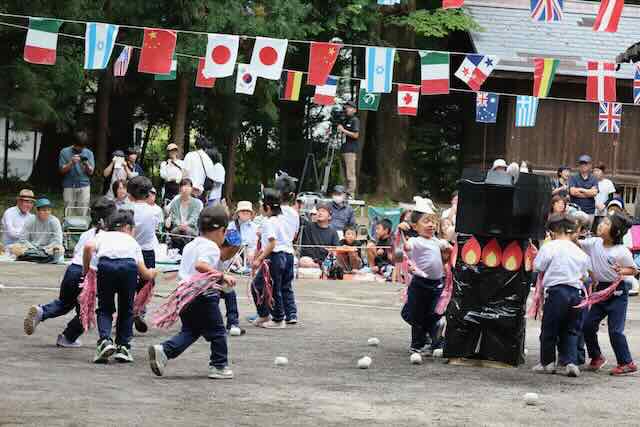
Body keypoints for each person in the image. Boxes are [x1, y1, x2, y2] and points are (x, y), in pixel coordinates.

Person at [148, 206, 235, 379]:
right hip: (202, 296)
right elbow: (200, 266)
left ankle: (164, 350)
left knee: (191, 331)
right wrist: (222, 275)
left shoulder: (191, 245)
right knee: (218, 332)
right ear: (221, 230)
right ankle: (219, 366)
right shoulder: (211, 247)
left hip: (184, 294)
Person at [23, 197, 117, 347]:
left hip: (72, 269)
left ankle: (42, 311)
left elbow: (77, 253)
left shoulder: (87, 233)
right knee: (85, 313)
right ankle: (67, 338)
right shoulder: (111, 237)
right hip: (88, 274)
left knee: (64, 303)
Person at [83, 210, 157, 363]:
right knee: (126, 309)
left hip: (106, 266)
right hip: (128, 267)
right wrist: (153, 272)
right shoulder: (133, 242)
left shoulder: (102, 235)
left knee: (105, 308)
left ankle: (105, 341)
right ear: (127, 227)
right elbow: (145, 275)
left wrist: (86, 270)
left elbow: (88, 247)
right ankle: (123, 347)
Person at [532, 214, 591, 377]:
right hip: (575, 293)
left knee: (550, 328)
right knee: (571, 330)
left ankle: (547, 363)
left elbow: (538, 265)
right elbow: (585, 275)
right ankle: (571, 362)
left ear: (552, 231)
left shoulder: (550, 247)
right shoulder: (578, 251)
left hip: (556, 292)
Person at [580, 212, 638, 375]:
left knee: (615, 330)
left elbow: (634, 270)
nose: (600, 225)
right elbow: (577, 243)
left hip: (618, 293)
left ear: (616, 231)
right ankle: (596, 357)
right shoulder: (594, 243)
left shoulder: (621, 251)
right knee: (588, 325)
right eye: (602, 222)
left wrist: (622, 270)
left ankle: (627, 362)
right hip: (600, 292)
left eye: (606, 223)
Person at [401, 209, 451, 355]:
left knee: (435, 313)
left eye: (433, 221)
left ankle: (435, 342)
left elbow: (443, 260)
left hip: (437, 283)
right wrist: (402, 232)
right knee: (417, 315)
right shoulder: (415, 241)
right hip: (419, 283)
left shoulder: (438, 242)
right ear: (415, 226)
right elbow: (405, 248)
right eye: (426, 221)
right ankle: (417, 345)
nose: (431, 225)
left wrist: (446, 255)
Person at [250, 188, 291, 329]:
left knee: (270, 288)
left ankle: (278, 318)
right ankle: (264, 314)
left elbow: (272, 243)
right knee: (262, 285)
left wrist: (258, 259)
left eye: (261, 205)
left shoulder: (269, 222)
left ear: (267, 208)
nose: (260, 207)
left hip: (275, 257)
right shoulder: (280, 219)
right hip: (281, 256)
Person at [128, 176, 162, 333]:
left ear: (130, 193)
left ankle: (126, 314)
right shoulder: (154, 211)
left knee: (127, 285)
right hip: (147, 251)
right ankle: (139, 310)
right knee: (146, 284)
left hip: (129, 250)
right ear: (148, 193)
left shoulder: (126, 210)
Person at [275, 173, 300, 324]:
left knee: (273, 285)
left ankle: (273, 313)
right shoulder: (294, 213)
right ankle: (291, 314)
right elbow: (295, 233)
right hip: (290, 252)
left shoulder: (273, 211)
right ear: (292, 195)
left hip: (276, 252)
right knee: (286, 285)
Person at [59, 131, 94, 212]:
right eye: (79, 147)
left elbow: (91, 172)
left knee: (83, 211)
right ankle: (68, 225)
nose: (81, 149)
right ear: (74, 144)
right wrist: (71, 163)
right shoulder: (64, 152)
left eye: (83, 147)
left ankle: (82, 224)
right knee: (68, 211)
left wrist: (87, 164)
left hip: (84, 185)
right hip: (69, 185)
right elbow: (61, 170)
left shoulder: (89, 153)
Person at [165, 179, 202, 252]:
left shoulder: (197, 203)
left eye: (188, 186)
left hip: (191, 228)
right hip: (177, 227)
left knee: (187, 232)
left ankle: (186, 252)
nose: (186, 189)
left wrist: (186, 224)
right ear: (180, 188)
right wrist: (179, 225)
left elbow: (194, 217)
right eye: (184, 186)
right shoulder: (175, 202)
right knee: (176, 232)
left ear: (191, 189)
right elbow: (174, 216)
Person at [299, 203, 340, 268]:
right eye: (318, 211)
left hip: (326, 261)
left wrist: (329, 258)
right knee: (304, 261)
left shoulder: (333, 232)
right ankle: (318, 267)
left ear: (329, 216)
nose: (320, 213)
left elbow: (336, 250)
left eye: (323, 211)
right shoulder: (308, 226)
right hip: (310, 259)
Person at [569, 155, 598, 230]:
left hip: (589, 210)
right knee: (574, 231)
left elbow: (594, 193)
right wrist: (588, 193)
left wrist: (581, 189)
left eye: (585, 164)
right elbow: (572, 192)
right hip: (575, 210)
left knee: (587, 232)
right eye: (581, 164)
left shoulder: (593, 178)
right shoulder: (573, 177)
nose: (583, 166)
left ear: (590, 165)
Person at [183, 136, 215, 204]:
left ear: (195, 146)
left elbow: (185, 174)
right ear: (205, 147)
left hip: (189, 191)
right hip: (200, 193)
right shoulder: (208, 160)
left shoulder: (189, 155)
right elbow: (211, 178)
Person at [227, 201, 259, 269]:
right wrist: (234, 255)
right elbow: (227, 244)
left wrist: (252, 253)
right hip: (234, 256)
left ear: (251, 213)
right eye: (243, 210)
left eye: (247, 211)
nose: (245, 212)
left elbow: (255, 245)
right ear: (238, 213)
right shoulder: (231, 226)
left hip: (250, 258)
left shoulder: (255, 227)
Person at [338, 101, 360, 196]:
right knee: (343, 174)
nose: (347, 109)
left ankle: (350, 193)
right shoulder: (345, 120)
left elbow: (355, 135)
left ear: (354, 110)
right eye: (346, 107)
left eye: (349, 107)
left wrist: (343, 130)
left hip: (350, 150)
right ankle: (344, 192)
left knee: (350, 173)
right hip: (344, 149)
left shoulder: (355, 120)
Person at [593, 163, 616, 232]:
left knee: (601, 232)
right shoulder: (591, 182)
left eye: (598, 170)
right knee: (591, 232)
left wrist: (604, 205)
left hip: (604, 212)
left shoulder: (608, 183)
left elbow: (611, 197)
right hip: (591, 211)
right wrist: (595, 204)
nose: (595, 173)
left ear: (603, 172)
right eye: (594, 171)